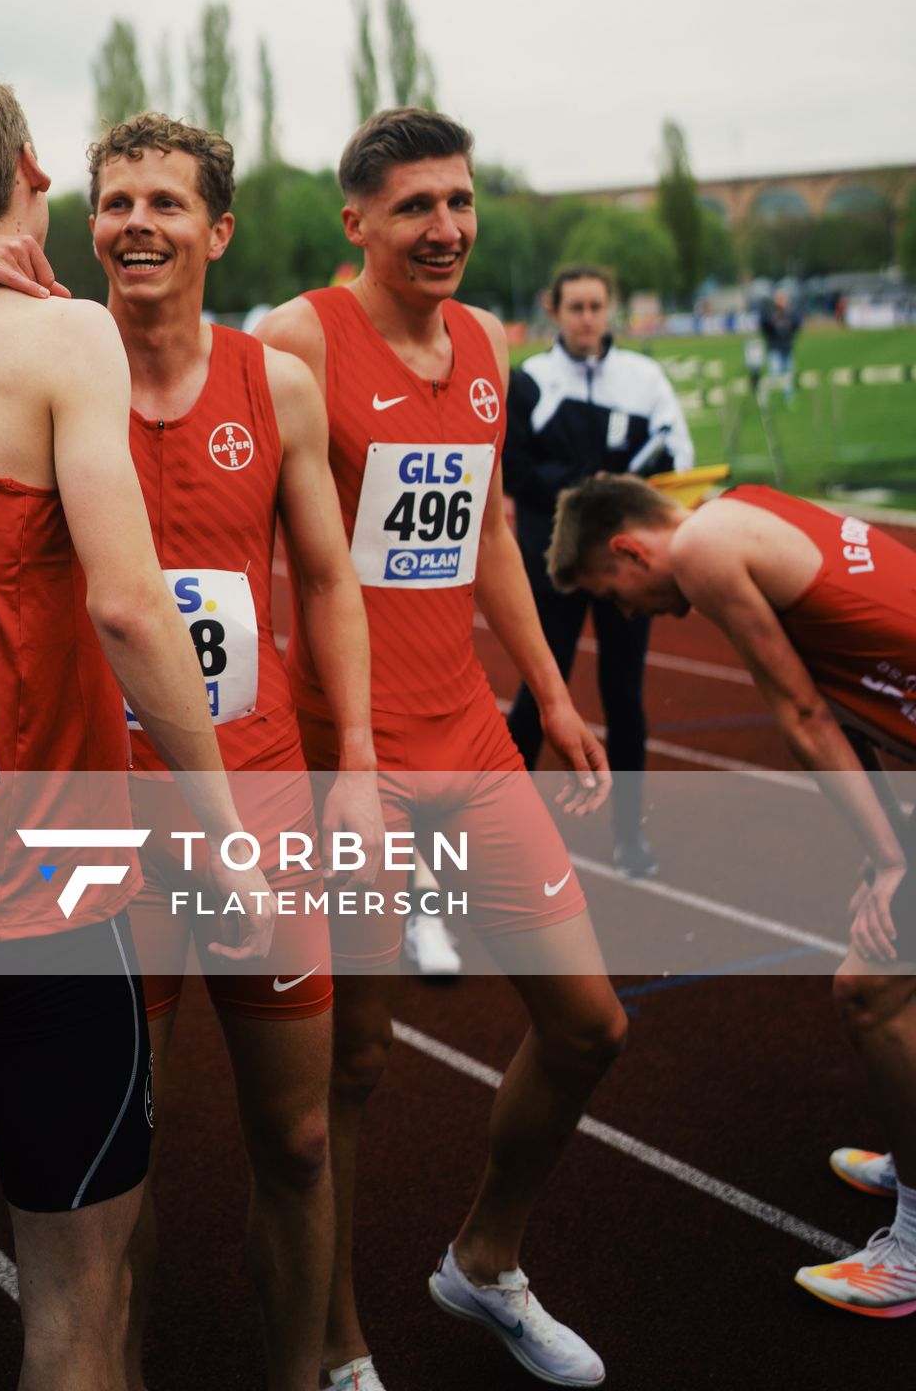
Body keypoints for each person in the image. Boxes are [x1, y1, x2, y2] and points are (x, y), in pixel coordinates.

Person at [0, 108, 382, 1391]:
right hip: (81, 844)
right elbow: (122, 603)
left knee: (294, 1132)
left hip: (233, 799)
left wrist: (360, 772)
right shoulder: (49, 345)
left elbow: (331, 582)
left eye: (167, 203)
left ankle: (321, 1366)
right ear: (57, 196)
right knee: (102, 1212)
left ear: (217, 231)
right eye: (117, 201)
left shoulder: (270, 380)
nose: (136, 223)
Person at [257, 108, 625, 1390]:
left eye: (459, 202)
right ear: (353, 219)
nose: (446, 228)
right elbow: (260, 555)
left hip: (467, 736)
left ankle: (484, 1259)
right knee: (349, 1069)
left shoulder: (485, 342)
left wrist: (553, 690)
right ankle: (340, 1342)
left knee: (586, 1026)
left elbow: (480, 535)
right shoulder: (295, 341)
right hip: (335, 758)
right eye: (416, 206)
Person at [549, 474, 916, 1317]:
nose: (635, 615)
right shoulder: (745, 505)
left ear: (628, 548)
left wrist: (891, 862)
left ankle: (911, 1248)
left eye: (619, 596)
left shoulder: (707, 553)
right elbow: (839, 698)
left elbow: (803, 715)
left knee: (872, 993)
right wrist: (886, 842)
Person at [504, 263, 694, 878]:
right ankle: (498, 834)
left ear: (610, 309)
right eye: (575, 307)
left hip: (627, 573)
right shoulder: (529, 382)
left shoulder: (644, 380)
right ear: (553, 311)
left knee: (624, 698)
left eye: (596, 306)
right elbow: (513, 471)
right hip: (552, 566)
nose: (587, 319)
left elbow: (677, 455)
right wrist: (587, 487)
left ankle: (628, 836)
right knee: (540, 693)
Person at [759, 288, 802, 402]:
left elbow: (797, 324)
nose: (782, 301)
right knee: (775, 373)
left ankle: (788, 398)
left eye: (783, 299)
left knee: (788, 374)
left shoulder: (790, 312)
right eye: (779, 299)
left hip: (787, 348)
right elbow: (764, 325)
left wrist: (789, 312)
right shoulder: (769, 312)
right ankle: (767, 397)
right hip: (774, 348)